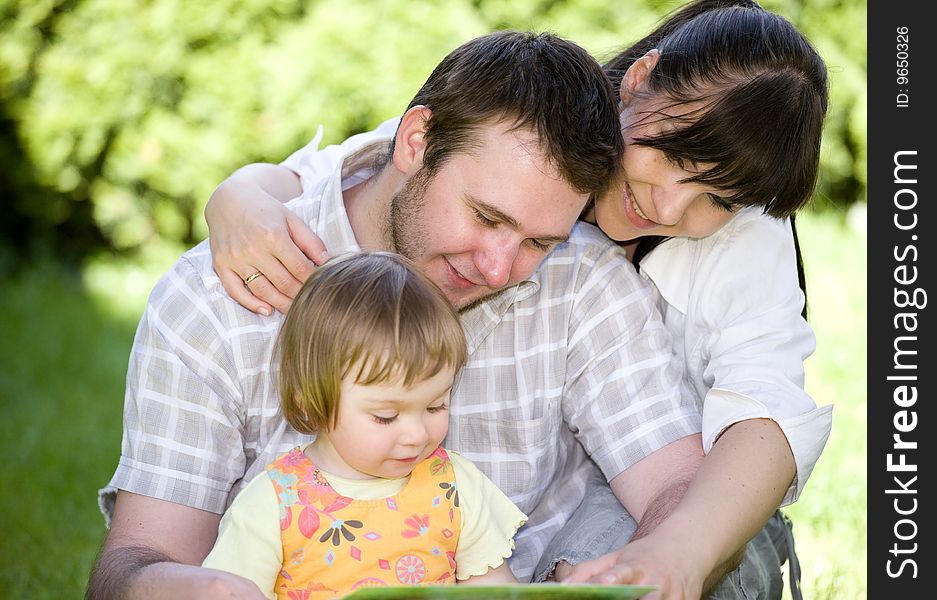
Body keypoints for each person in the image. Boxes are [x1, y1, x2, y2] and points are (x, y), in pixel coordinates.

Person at [203, 1, 834, 598]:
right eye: (672, 156)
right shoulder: (540, 132)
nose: (668, 206)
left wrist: (682, 548)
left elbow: (767, 409)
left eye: (716, 199)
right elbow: (367, 166)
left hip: (671, 493)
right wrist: (239, 194)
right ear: (640, 79)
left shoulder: (748, 240)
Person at [88, 30, 704, 600]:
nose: (498, 267)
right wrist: (192, 589)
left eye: (539, 242)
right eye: (488, 218)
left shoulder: (584, 283)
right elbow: (137, 563)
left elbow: (677, 489)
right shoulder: (218, 299)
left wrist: (640, 563)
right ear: (416, 142)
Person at [201, 252, 526, 598]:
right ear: (310, 402)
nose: (417, 435)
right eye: (386, 416)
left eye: (435, 406)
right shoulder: (273, 504)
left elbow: (493, 591)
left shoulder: (454, 487)